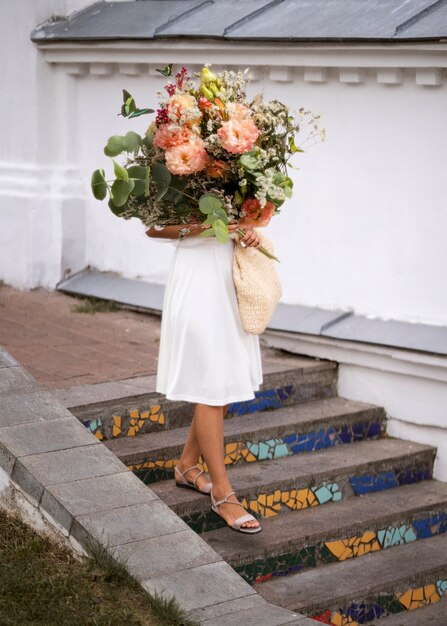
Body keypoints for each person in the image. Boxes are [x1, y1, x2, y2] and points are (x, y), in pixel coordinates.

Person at [146, 221, 263, 534]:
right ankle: (223, 493)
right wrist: (204, 226)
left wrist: (249, 228)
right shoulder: (170, 169)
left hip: (229, 279)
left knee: (225, 382)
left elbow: (247, 214)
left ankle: (186, 465)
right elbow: (154, 228)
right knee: (213, 382)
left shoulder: (233, 170)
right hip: (195, 280)